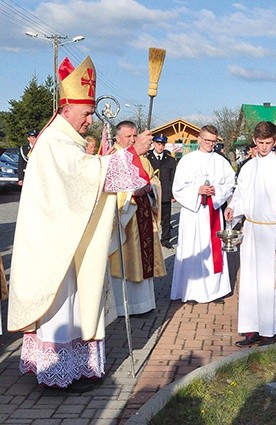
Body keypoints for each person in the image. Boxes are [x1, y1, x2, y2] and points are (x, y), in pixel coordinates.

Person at [7, 56, 148, 391]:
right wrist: (130, 155)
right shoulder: (56, 142)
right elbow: (87, 176)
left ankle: (68, 370)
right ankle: (62, 375)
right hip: (57, 245)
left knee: (71, 305)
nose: (89, 120)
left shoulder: (63, 140)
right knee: (64, 308)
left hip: (63, 237)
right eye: (85, 113)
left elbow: (85, 178)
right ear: (66, 109)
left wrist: (114, 162)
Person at [225, 121, 276, 347]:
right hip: (251, 230)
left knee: (269, 282)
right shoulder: (248, 167)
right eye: (260, 143)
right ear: (254, 141)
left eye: (268, 143)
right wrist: (233, 208)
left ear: (275, 141)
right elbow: (240, 194)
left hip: (272, 233)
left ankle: (269, 330)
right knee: (250, 281)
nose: (264, 147)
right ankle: (252, 328)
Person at [171, 125, 236, 304]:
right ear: (199, 139)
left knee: (212, 248)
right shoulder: (187, 160)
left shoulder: (221, 161)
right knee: (193, 249)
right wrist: (197, 190)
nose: (210, 144)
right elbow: (177, 188)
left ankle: (215, 291)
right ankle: (191, 291)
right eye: (207, 140)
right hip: (194, 212)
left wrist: (217, 190)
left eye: (213, 141)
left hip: (212, 211)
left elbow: (230, 183)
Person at [108, 122, 166, 316]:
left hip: (143, 215)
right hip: (125, 220)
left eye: (135, 136)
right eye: (128, 137)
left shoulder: (142, 159)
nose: (133, 140)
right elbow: (109, 190)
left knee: (143, 259)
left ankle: (144, 303)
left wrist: (151, 189)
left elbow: (154, 181)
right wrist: (133, 192)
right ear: (117, 138)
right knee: (126, 260)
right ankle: (123, 306)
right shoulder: (112, 157)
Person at [146, 134, 177, 248]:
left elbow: (173, 178)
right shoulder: (147, 158)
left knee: (166, 218)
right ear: (153, 144)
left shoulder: (170, 160)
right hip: (151, 193)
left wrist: (173, 194)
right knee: (150, 218)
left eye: (163, 144)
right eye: (158, 144)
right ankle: (150, 239)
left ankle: (165, 240)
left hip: (165, 193)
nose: (160, 147)